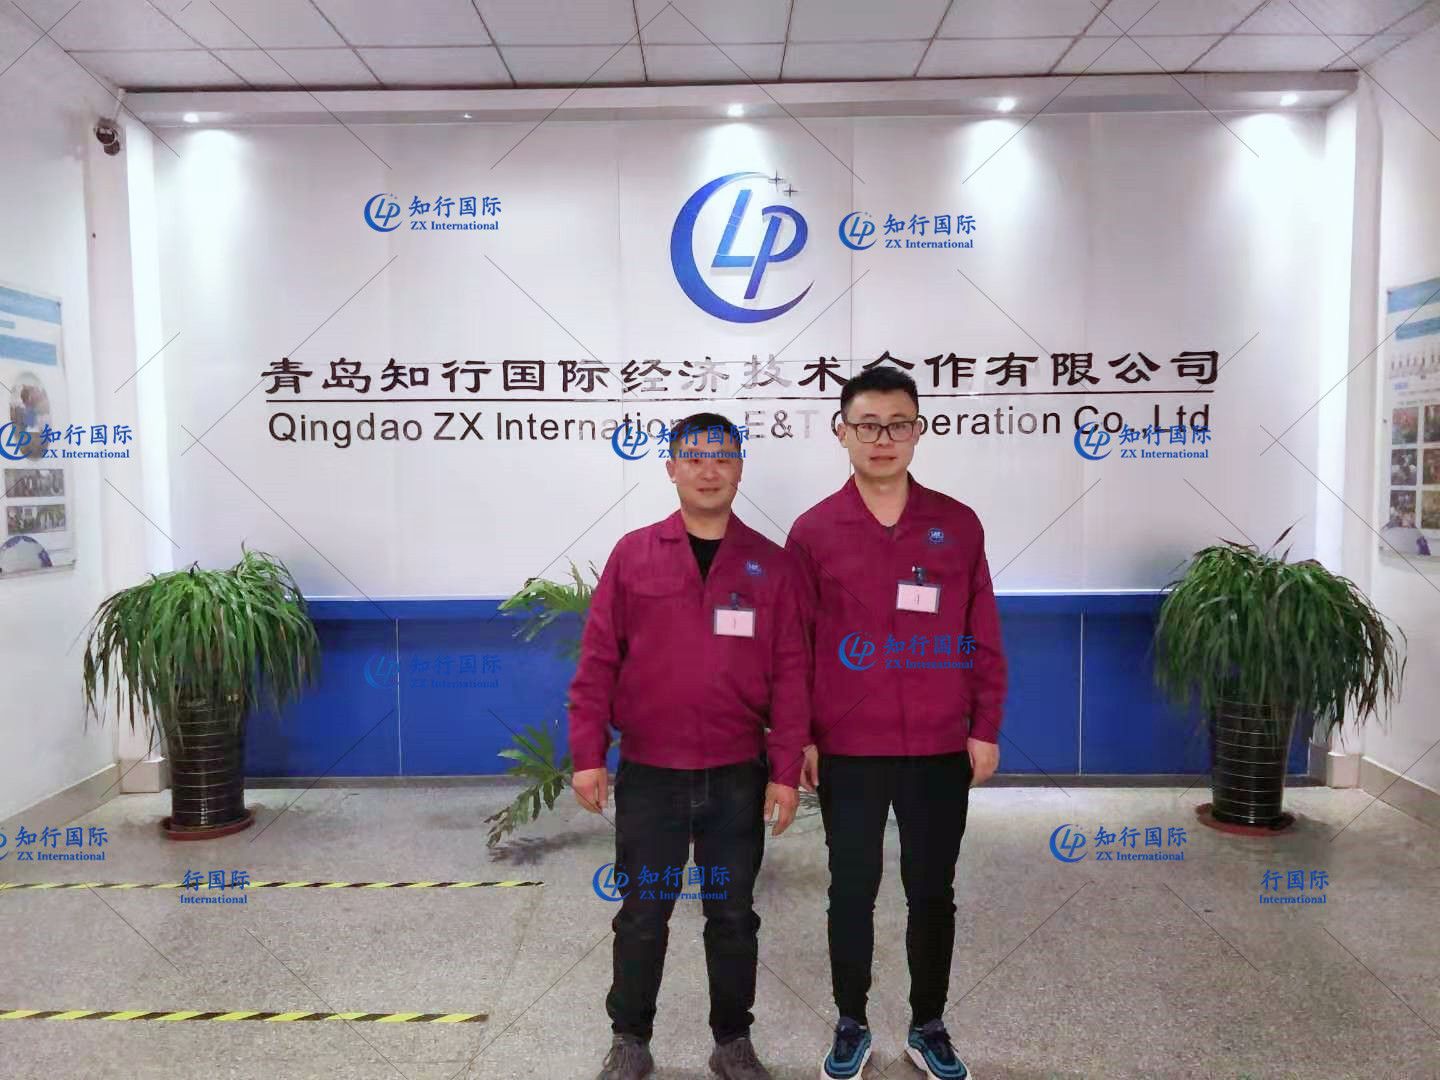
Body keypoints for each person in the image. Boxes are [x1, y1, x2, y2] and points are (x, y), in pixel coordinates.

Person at [569, 412, 809, 1080]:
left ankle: (732, 1041)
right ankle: (630, 1038)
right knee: (643, 913)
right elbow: (598, 662)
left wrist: (784, 770)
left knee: (732, 914)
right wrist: (588, 754)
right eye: (695, 457)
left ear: (739, 469)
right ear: (671, 468)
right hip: (652, 774)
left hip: (737, 776)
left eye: (722, 457)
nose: (709, 470)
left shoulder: (770, 565)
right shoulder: (634, 554)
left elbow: (792, 673)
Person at [786, 367, 1008, 1080]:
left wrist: (984, 726)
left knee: (932, 890)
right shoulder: (814, 531)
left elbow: (981, 632)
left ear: (918, 431)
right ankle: (850, 1022)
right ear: (842, 432)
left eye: (898, 424)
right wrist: (801, 737)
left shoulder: (958, 523)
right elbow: (794, 646)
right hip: (848, 747)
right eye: (868, 424)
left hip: (938, 743)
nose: (883, 438)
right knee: (850, 890)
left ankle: (928, 1024)